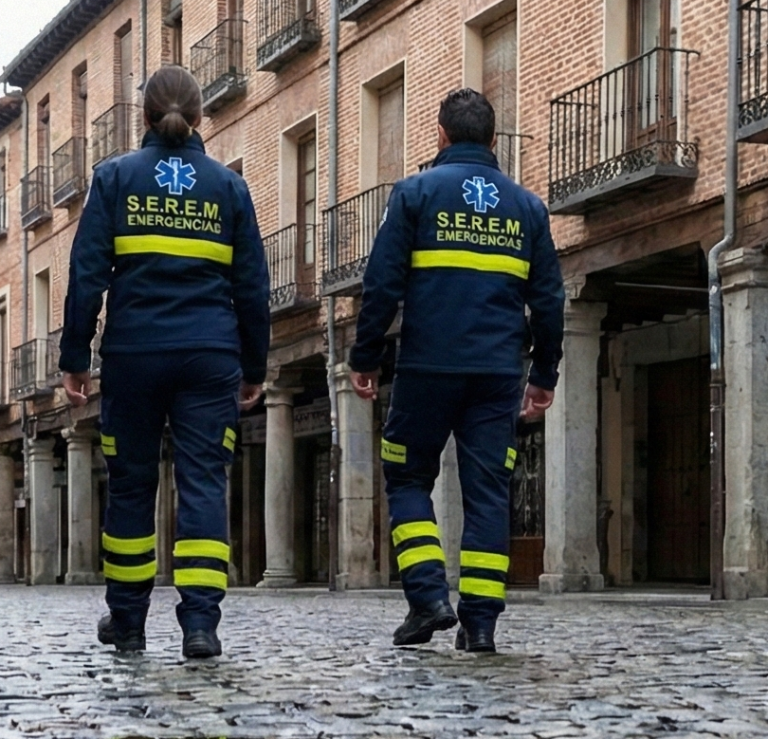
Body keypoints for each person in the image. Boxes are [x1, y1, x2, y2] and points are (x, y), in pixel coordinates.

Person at [59, 65, 270, 659]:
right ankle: (201, 624)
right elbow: (252, 286)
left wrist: (76, 356)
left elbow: (86, 276)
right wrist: (254, 366)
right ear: (198, 116)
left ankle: (126, 622)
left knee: (130, 485)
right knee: (205, 482)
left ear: (145, 116)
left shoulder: (115, 178)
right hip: (210, 356)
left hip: (134, 356)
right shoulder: (228, 188)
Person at [349, 88, 564, 653]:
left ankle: (427, 599)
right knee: (489, 491)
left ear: (440, 135)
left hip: (426, 367)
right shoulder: (527, 208)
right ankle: (482, 623)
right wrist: (543, 375)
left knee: (408, 477)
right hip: (497, 373)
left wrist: (364, 356)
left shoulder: (415, 194)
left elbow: (382, 285)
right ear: (494, 140)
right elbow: (549, 301)